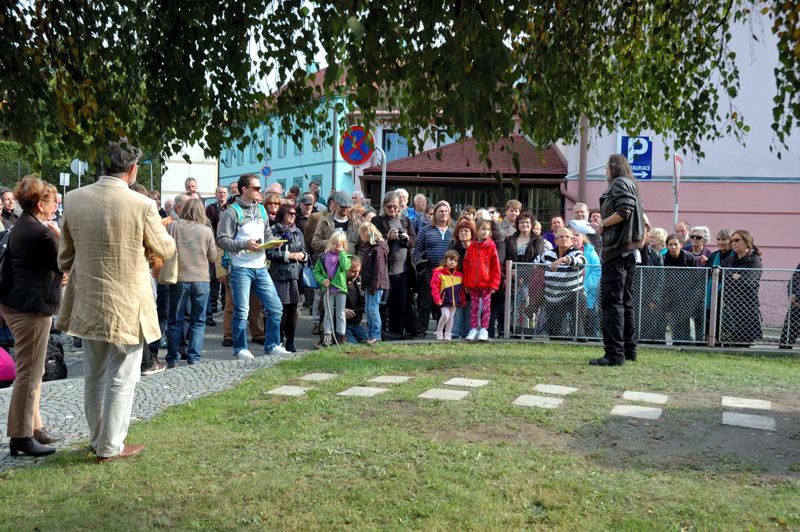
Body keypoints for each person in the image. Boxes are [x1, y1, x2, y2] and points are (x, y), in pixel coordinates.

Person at [58, 139, 176, 462]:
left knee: (93, 374)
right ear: (133, 169)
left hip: (87, 300)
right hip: (127, 303)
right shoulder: (142, 205)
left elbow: (64, 257)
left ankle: (99, 440)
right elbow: (165, 248)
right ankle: (110, 446)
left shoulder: (73, 199)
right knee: (122, 377)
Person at [0, 176, 63, 457]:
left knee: (33, 371)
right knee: (29, 373)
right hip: (30, 308)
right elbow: (67, 261)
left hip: (16, 303)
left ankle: (33, 427)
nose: (55, 205)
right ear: (40, 204)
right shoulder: (42, 233)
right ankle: (21, 437)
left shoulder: (23, 223)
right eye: (52, 201)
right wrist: (60, 237)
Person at [216, 173, 288, 359]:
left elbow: (267, 235)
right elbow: (222, 240)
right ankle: (240, 348)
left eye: (259, 188)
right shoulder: (231, 212)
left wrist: (274, 242)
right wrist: (244, 244)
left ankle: (272, 345)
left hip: (260, 267)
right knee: (241, 310)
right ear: (244, 190)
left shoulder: (262, 210)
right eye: (256, 188)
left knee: (275, 308)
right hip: (240, 268)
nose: (259, 191)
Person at [590, 153, 645, 367]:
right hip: (628, 250)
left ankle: (614, 354)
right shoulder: (630, 184)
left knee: (612, 303)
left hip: (618, 250)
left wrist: (602, 224)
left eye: (606, 168)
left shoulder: (619, 184)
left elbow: (624, 211)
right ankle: (628, 350)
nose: (605, 172)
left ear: (613, 167)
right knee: (625, 302)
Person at [165, 198, 216, 367]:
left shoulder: (173, 226)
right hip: (201, 279)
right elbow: (213, 257)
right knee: (198, 320)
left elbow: (166, 249)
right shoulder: (206, 231)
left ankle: (172, 358)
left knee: (175, 320)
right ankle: (194, 358)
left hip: (178, 278)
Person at [372, 191, 417, 336]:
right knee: (384, 303)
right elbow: (372, 241)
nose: (392, 210)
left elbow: (413, 240)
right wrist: (388, 238)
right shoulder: (377, 221)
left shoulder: (405, 220)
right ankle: (382, 331)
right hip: (385, 268)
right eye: (389, 207)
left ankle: (398, 331)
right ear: (384, 206)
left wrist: (406, 238)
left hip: (403, 269)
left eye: (395, 207)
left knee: (401, 302)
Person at [265, 203, 308, 353]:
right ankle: (278, 341)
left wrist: (303, 255)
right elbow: (269, 253)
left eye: (294, 213)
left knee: (293, 311)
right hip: (280, 276)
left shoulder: (298, 232)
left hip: (295, 276)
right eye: (289, 213)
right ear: (282, 214)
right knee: (280, 310)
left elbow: (305, 251)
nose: (292, 216)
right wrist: (288, 256)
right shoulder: (273, 231)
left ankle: (290, 341)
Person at [535, 227, 587, 339]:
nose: (564, 239)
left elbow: (582, 262)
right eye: (561, 237)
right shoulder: (547, 254)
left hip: (572, 294)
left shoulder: (576, 253)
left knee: (580, 296)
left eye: (567, 236)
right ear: (556, 241)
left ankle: (579, 336)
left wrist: (563, 260)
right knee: (555, 335)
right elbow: (533, 264)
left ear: (572, 240)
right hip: (552, 298)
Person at [413, 200, 453, 336]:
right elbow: (417, 251)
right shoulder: (425, 230)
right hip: (429, 271)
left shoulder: (452, 232)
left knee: (443, 304)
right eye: (441, 211)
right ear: (435, 214)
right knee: (426, 302)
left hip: (447, 274)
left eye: (446, 211)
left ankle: (440, 331)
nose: (444, 214)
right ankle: (421, 331)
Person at [720, 229, 763, 346]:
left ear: (746, 242)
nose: (733, 243)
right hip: (729, 305)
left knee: (743, 344)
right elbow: (720, 276)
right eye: (732, 240)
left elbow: (748, 281)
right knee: (728, 341)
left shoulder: (755, 260)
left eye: (737, 240)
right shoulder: (729, 259)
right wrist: (734, 276)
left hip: (746, 306)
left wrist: (734, 277)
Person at [505, 212, 546, 333]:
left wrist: (520, 273)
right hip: (512, 279)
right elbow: (505, 258)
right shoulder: (509, 240)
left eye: (527, 222)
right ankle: (515, 330)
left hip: (531, 278)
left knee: (529, 304)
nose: (524, 224)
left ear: (532, 224)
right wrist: (511, 273)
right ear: (517, 224)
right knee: (515, 305)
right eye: (521, 222)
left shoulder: (538, 240)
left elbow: (538, 260)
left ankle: (528, 331)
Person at [462, 219, 501, 341]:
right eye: (483, 229)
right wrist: (467, 283)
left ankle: (484, 329)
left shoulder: (491, 246)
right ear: (477, 230)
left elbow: (496, 267)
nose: (485, 232)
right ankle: (473, 328)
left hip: (487, 284)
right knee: (474, 307)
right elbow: (466, 266)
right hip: (473, 284)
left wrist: (494, 284)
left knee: (486, 307)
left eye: (488, 230)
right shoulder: (471, 247)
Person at [313, 231, 351, 347]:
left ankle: (341, 335)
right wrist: (322, 280)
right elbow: (316, 271)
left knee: (340, 313)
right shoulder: (323, 257)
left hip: (340, 289)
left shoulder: (345, 256)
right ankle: (328, 334)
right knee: (328, 313)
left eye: (340, 244)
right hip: (328, 289)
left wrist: (342, 253)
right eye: (334, 244)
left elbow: (346, 267)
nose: (336, 246)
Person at [662, 234, 701, 344]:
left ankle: (687, 343)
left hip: (688, 295)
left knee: (684, 321)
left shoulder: (689, 257)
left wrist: (693, 298)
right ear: (667, 246)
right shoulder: (663, 259)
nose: (673, 247)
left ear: (681, 245)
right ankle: (677, 343)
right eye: (670, 245)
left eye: (676, 244)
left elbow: (696, 279)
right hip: (670, 294)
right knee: (674, 322)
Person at [358, 222, 389, 344]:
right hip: (370, 284)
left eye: (361, 234)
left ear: (366, 233)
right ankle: (371, 334)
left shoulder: (378, 249)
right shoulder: (370, 248)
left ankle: (376, 335)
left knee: (372, 308)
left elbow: (379, 271)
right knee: (369, 308)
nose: (360, 237)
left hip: (376, 285)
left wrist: (374, 286)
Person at [448, 218, 476, 338]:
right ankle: (454, 335)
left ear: (472, 233)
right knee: (457, 311)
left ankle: (468, 335)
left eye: (466, 230)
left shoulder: (476, 248)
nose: (463, 233)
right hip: (457, 285)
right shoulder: (453, 248)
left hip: (473, 285)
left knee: (470, 311)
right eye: (461, 231)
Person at [431, 250, 465, 340]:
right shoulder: (439, 273)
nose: (453, 262)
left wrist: (463, 299)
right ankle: (439, 331)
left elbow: (461, 290)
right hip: (444, 300)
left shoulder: (459, 275)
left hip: (455, 301)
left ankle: (448, 333)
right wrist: (437, 298)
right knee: (445, 315)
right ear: (445, 260)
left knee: (451, 317)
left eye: (455, 260)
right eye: (451, 259)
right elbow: (434, 287)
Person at [344, 257, 367, 343]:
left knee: (367, 346)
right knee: (352, 346)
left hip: (357, 325)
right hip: (343, 325)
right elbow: (323, 306)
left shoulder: (359, 281)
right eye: (353, 271)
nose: (356, 274)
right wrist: (341, 311)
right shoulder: (336, 283)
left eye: (358, 271)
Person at [779, 261, 800, 349]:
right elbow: (793, 280)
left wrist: (797, 295)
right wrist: (792, 296)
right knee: (787, 337)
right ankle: (784, 349)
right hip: (796, 304)